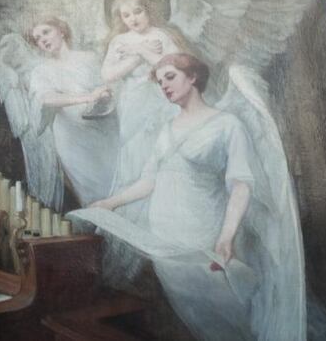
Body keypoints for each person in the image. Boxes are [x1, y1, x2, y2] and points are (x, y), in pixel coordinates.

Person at [81, 53, 305, 340]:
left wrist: (226, 237)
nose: (164, 85)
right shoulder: (166, 129)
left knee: (229, 316)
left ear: (193, 77)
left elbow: (241, 184)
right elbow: (148, 181)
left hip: (204, 235)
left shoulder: (227, 124)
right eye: (160, 82)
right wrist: (109, 203)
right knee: (196, 318)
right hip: (164, 241)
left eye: (170, 77)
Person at [23, 17, 119, 209]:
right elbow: (47, 98)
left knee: (116, 183)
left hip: (104, 130)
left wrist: (104, 95)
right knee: (93, 193)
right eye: (37, 39)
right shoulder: (41, 71)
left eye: (46, 32)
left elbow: (109, 85)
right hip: (72, 138)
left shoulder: (90, 58)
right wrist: (87, 97)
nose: (42, 40)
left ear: (61, 30)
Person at [101, 0, 181, 189]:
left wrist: (140, 49)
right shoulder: (119, 41)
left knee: (163, 144)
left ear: (147, 11)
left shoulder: (161, 36)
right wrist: (139, 55)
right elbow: (108, 75)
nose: (133, 19)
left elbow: (175, 68)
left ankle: (164, 191)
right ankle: (135, 191)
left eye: (138, 12)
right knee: (134, 146)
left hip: (162, 98)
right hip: (133, 100)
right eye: (126, 15)